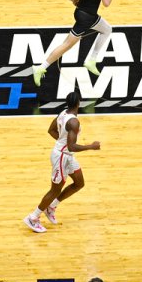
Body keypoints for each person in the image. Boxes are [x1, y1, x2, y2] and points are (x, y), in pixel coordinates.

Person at [22, 90, 101, 233]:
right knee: (55, 190)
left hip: (66, 155)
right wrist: (91, 146)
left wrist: (61, 143)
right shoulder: (73, 122)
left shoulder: (63, 113)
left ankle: (51, 207)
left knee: (79, 183)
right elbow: (72, 146)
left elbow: (51, 130)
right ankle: (33, 218)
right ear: (78, 103)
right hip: (61, 157)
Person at [32, 0, 115, 85]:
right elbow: (106, 3)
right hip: (88, 18)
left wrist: (74, 0)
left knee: (107, 29)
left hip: (80, 13)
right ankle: (41, 68)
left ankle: (91, 60)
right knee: (66, 45)